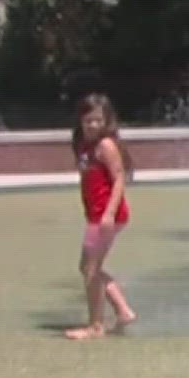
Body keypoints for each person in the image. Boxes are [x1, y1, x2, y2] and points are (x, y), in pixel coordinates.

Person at [66, 93, 138, 340]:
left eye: (98, 120)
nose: (93, 125)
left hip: (107, 216)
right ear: (80, 121)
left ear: (106, 121)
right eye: (88, 120)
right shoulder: (82, 145)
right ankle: (123, 311)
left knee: (90, 269)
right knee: (88, 267)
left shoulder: (105, 145)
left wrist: (108, 214)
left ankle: (95, 326)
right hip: (95, 215)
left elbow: (119, 179)